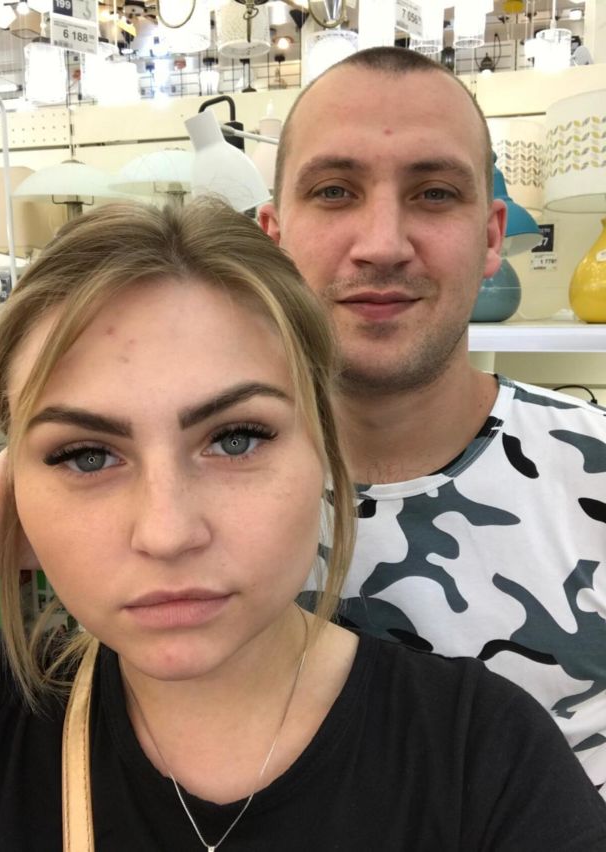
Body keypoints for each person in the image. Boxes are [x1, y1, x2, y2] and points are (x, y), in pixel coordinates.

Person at [0, 200, 605, 851]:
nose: (167, 532)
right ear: (16, 485)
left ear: (323, 447)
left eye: (236, 439)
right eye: (85, 455)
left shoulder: (483, 757)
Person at [258, 45, 606, 797]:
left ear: (492, 237)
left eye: (436, 193)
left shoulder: (595, 471)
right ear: (273, 239)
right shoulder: (190, 493)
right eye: (334, 191)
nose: (383, 245)